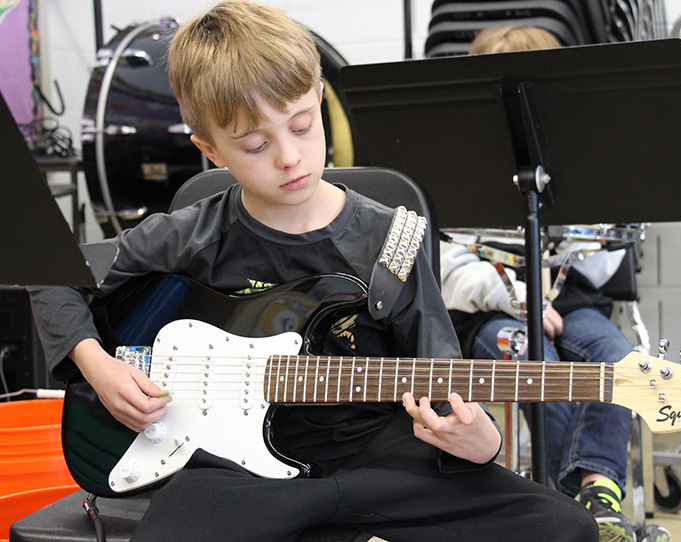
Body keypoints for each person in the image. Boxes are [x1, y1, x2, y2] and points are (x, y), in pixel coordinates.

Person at [28, 4, 598, 541]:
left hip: (380, 457)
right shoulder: (193, 233)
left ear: (320, 98)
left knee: (562, 528)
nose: (289, 157)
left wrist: (480, 439)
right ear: (210, 149)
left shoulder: (393, 238)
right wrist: (97, 364)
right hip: (234, 474)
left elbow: (442, 375)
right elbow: (50, 273)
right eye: (255, 144)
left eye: (302, 125)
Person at [440, 26, 672, 542]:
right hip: (490, 313)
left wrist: (587, 210)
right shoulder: (462, 171)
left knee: (620, 361)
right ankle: (582, 512)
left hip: (573, 306)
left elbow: (603, 266)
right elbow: (449, 270)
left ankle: (598, 492)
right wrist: (518, 298)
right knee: (532, 358)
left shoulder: (580, 164)